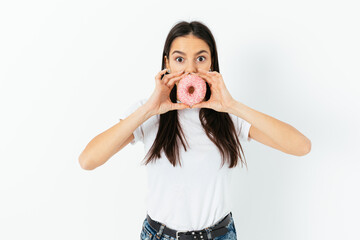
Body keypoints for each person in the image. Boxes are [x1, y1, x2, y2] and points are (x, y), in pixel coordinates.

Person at [78, 21, 311, 240]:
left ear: (212, 63)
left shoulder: (228, 115)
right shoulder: (148, 113)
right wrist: (149, 108)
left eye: (200, 58)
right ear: (167, 63)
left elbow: (301, 146)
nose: (190, 69)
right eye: (180, 59)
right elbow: (88, 160)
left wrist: (232, 106)